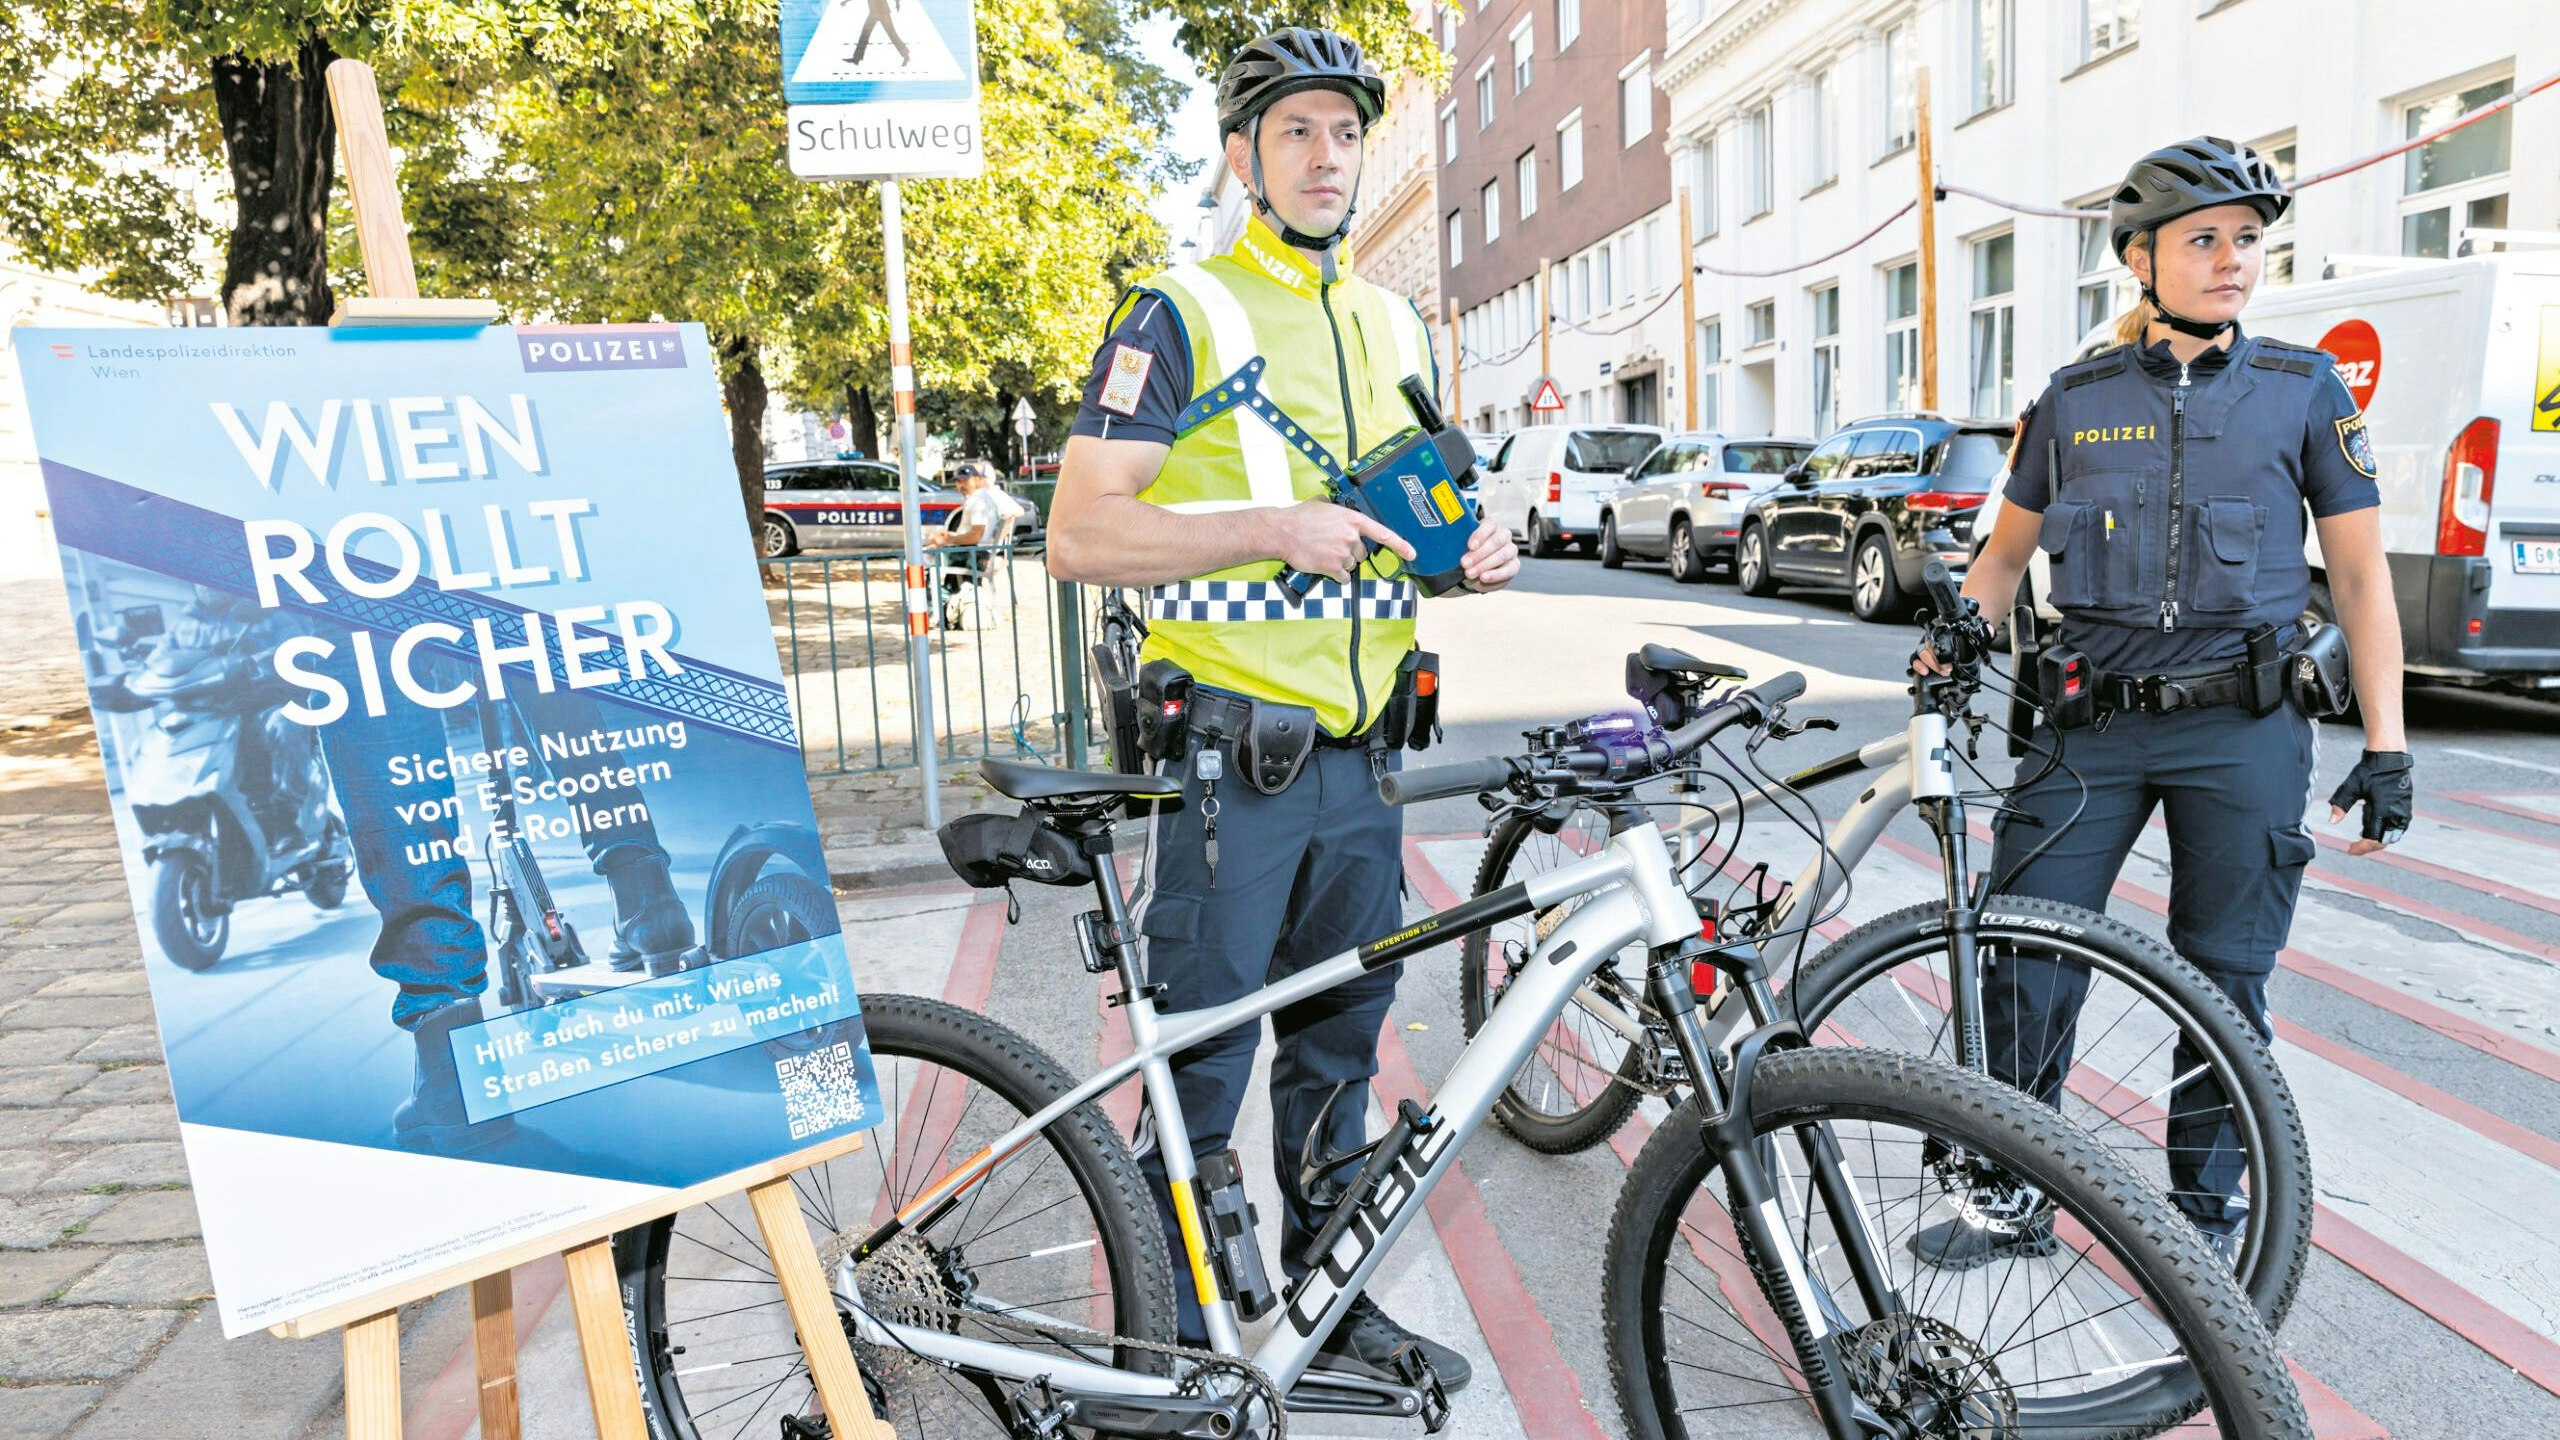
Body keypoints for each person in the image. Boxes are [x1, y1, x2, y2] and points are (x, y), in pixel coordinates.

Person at [1047, 26, 1518, 1394]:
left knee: (1342, 1050)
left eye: (1346, 132)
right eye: (1296, 131)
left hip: (1365, 761)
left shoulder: (1392, 322)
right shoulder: (1178, 310)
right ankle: (1170, 1341)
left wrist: (1469, 553)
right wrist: (1269, 526)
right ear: (1243, 156)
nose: (1328, 157)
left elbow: (1404, 521)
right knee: (1202, 1059)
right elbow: (1080, 533)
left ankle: (1329, 1300)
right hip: (1232, 763)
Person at [1916, 136, 2414, 1265]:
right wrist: (1950, 647)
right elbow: (2002, 560)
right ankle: (2009, 1192)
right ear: (2139, 258)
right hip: (2088, 727)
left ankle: (2201, 1223)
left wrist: (2387, 745)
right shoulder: (2073, 399)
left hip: (2244, 727)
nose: (2232, 260)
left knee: (2223, 980)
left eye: (2247, 240)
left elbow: (2360, 579)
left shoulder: (2304, 391)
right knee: (2026, 955)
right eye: (2203, 240)